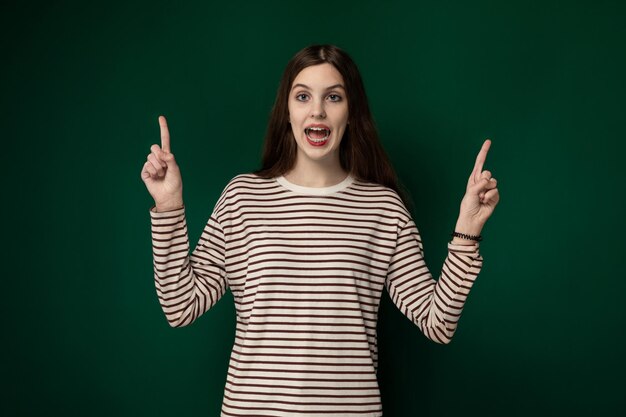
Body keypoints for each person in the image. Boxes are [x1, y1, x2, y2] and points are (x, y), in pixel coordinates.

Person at [140, 44, 499, 417]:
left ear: (351, 111)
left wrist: (467, 231)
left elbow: (437, 322)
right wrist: (168, 206)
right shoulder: (243, 198)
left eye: (333, 97)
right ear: (287, 112)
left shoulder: (383, 208)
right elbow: (180, 307)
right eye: (302, 96)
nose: (317, 110)